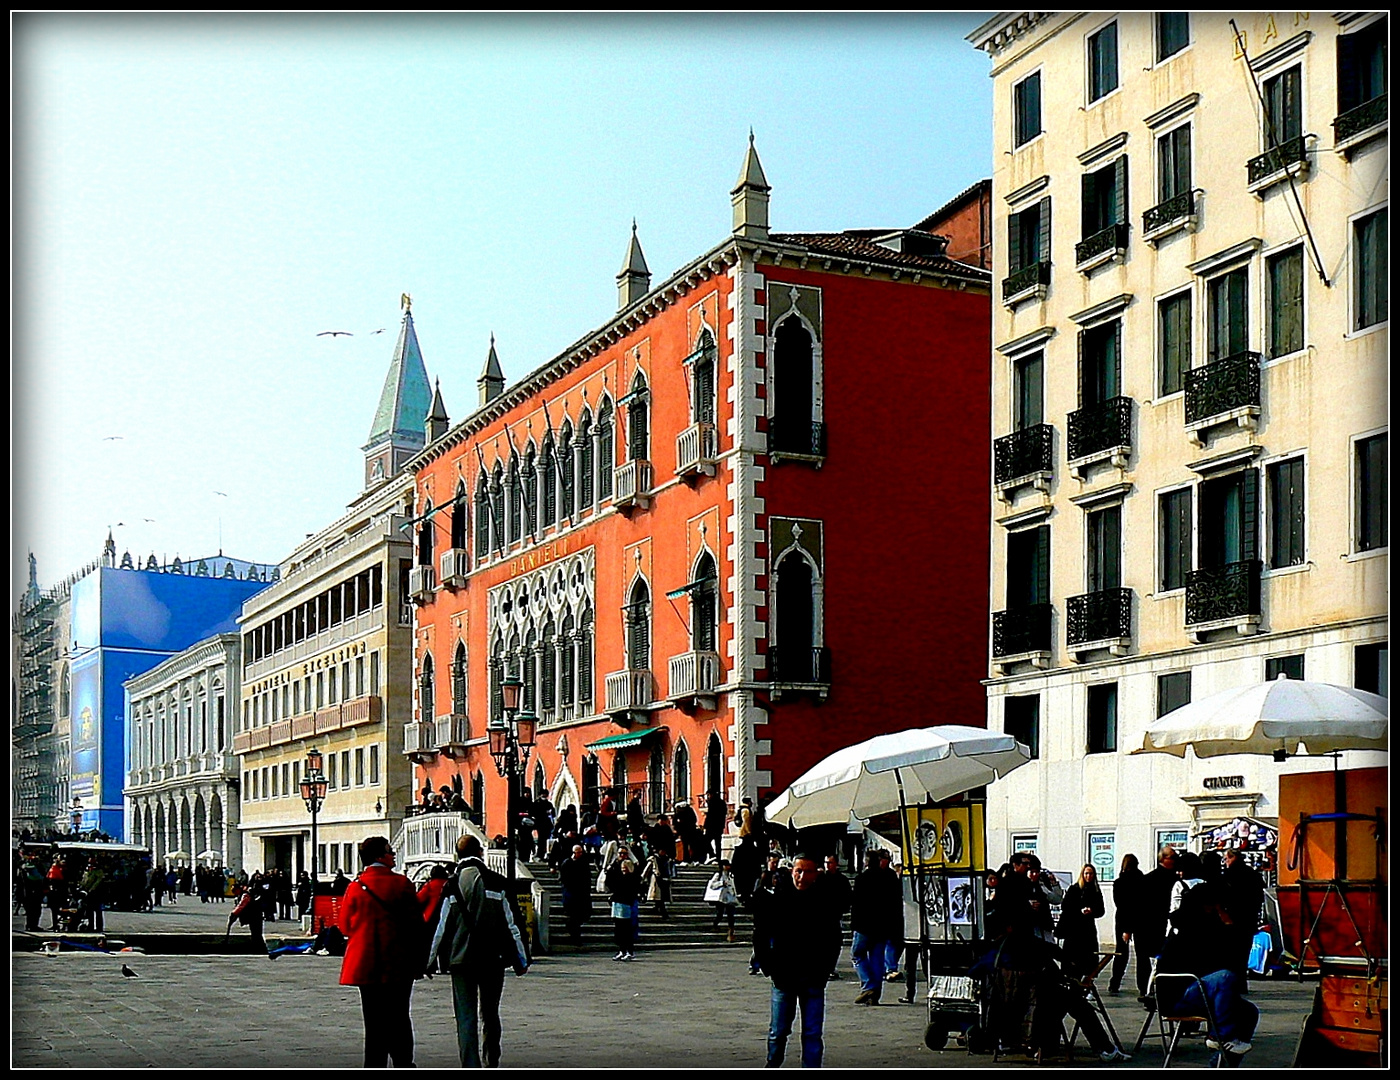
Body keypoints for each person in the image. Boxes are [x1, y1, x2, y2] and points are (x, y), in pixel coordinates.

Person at [432, 834, 529, 1068]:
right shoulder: (498, 882)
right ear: (482, 853)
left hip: (461, 959)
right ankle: (491, 1059)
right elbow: (513, 924)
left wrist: (428, 961)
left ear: (458, 855)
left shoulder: (452, 885)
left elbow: (440, 928)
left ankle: (470, 1064)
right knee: (491, 1013)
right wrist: (521, 960)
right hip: (493, 959)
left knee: (465, 1017)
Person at [1157, 867, 1258, 1066]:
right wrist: (1225, 923)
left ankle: (1223, 1063)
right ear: (1205, 906)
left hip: (1201, 990)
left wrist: (1227, 924)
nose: (1219, 912)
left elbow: (1232, 956)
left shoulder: (1211, 926)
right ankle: (1219, 1036)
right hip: (1178, 993)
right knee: (1225, 978)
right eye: (1215, 907)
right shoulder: (1189, 926)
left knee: (1249, 1012)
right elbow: (1215, 964)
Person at [339, 836, 422, 1069]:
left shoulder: (355, 887)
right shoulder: (403, 884)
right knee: (399, 1017)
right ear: (378, 856)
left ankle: (374, 1064)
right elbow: (416, 923)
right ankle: (403, 1062)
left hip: (366, 963)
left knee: (373, 1021)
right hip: (398, 962)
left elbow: (345, 926)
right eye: (389, 851)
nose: (393, 854)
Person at [755, 853, 845, 1068]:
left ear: (816, 874)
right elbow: (760, 934)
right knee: (778, 1031)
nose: (802, 877)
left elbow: (834, 939)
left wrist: (825, 970)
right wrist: (768, 967)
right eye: (798, 871)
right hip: (783, 976)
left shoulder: (824, 901)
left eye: (808, 871)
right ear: (792, 872)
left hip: (813, 977)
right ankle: (772, 1064)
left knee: (812, 1033)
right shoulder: (779, 899)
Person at [849, 849, 901, 1004]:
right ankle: (875, 994)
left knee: (857, 954)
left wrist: (855, 924)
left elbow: (857, 904)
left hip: (865, 924)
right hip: (883, 925)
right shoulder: (890, 877)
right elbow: (895, 902)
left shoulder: (862, 878)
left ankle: (868, 985)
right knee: (877, 959)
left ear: (866, 861)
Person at [1221, 848, 1265, 979]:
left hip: (1232, 919)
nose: (1225, 862)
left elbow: (1224, 897)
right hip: (1249, 918)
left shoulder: (1228, 875)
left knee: (1231, 952)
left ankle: (1233, 980)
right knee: (1244, 951)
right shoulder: (1253, 874)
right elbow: (1260, 895)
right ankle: (1241, 979)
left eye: (1226, 859)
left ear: (1232, 858)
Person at [1055, 864, 1106, 978]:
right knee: (1072, 961)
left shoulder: (1095, 891)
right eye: (1086, 873)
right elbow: (1065, 906)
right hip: (1074, 929)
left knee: (1087, 962)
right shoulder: (1074, 889)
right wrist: (1079, 911)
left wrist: (1091, 911)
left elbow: (1101, 910)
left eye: (1091, 874)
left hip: (1088, 930)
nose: (1089, 876)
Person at [1109, 853, 1143, 994]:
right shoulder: (1142, 880)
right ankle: (1143, 986)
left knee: (1121, 953)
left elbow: (1121, 905)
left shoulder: (1119, 882)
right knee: (1142, 955)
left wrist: (1126, 928)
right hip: (1140, 919)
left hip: (1123, 920)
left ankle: (1115, 982)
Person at [606, 852, 642, 960]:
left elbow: (628, 892)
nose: (623, 869)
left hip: (625, 904)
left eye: (625, 867)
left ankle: (629, 951)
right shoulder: (620, 877)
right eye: (622, 867)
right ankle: (621, 950)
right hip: (617, 903)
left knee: (626, 929)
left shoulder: (632, 879)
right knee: (619, 929)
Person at [558, 844, 595, 945]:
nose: (580, 854)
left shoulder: (583, 863)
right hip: (571, 894)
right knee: (573, 917)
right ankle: (575, 937)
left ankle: (575, 934)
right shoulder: (567, 863)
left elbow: (587, 877)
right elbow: (564, 879)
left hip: (582, 894)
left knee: (582, 915)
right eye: (578, 852)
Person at [704, 859, 739, 941]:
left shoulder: (730, 875)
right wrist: (722, 883)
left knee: (731, 914)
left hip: (729, 897)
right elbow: (712, 885)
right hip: (720, 898)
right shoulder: (718, 875)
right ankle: (715, 925)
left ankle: (731, 930)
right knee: (720, 913)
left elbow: (732, 885)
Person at [639, 846, 672, 920]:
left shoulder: (666, 859)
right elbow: (647, 869)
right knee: (659, 896)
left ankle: (657, 908)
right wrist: (642, 878)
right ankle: (663, 912)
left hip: (665, 879)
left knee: (661, 896)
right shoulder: (653, 859)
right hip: (656, 879)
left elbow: (668, 869)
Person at [703, 791, 727, 863]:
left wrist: (705, 825)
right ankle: (717, 857)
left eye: (709, 795)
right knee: (718, 843)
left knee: (706, 841)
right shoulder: (722, 803)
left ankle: (712, 854)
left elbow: (710, 816)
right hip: (719, 826)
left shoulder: (712, 803)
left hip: (712, 826)